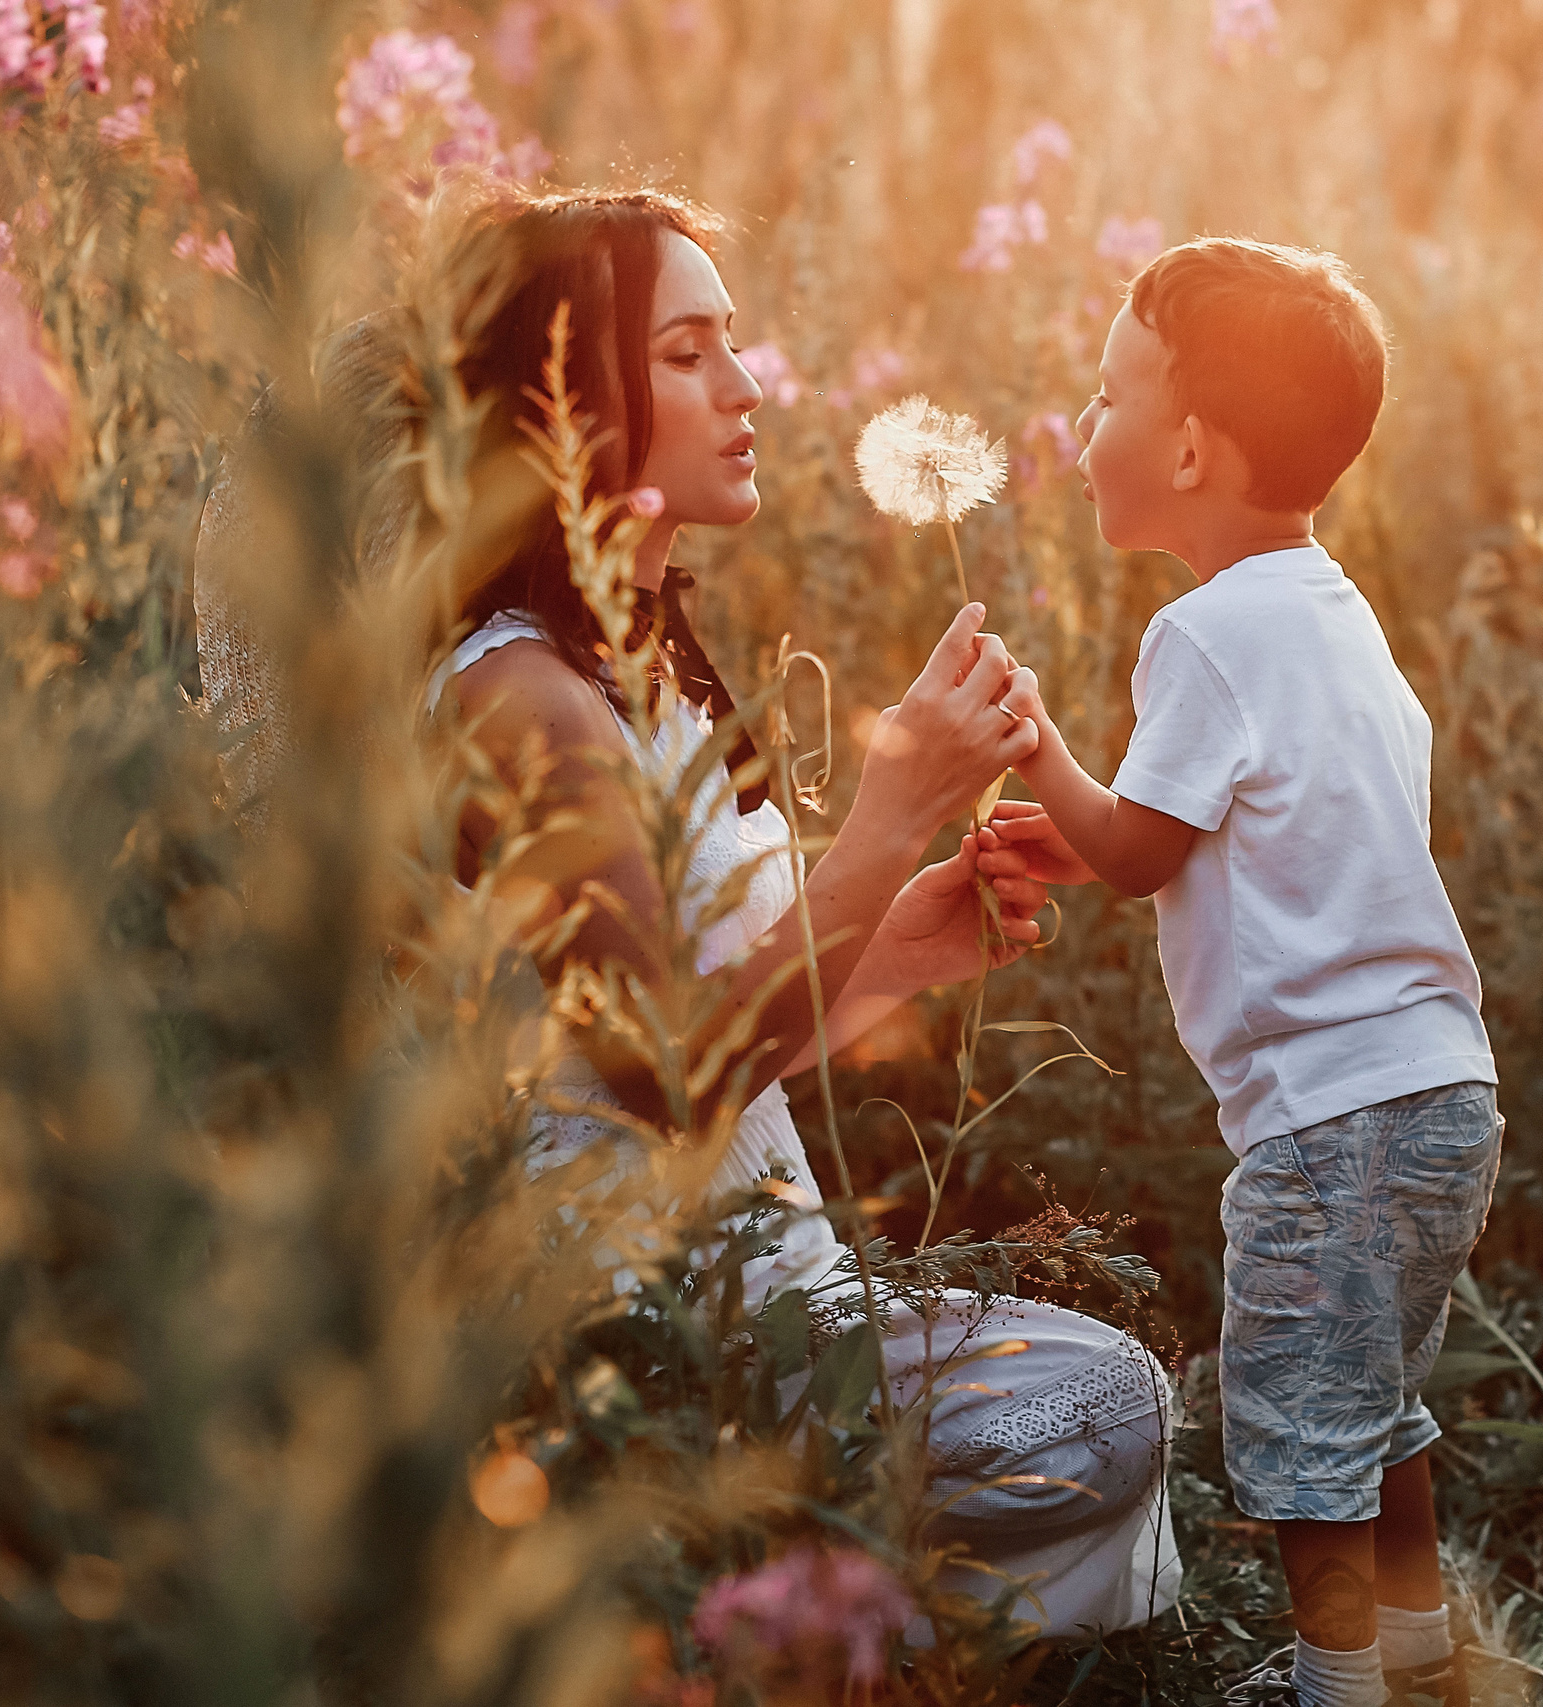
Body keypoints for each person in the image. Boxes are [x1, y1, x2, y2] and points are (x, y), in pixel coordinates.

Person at [193, 183, 1180, 1639]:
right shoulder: (514, 699)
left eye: (736, 344)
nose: (747, 386)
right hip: (637, 1325)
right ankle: (753, 1604)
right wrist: (895, 804)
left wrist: (907, 934)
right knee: (1099, 1404)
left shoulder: (628, 675)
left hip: (758, 1283)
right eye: (686, 353)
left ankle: (819, 1621)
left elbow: (724, 1036)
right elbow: (663, 1070)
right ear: (564, 402)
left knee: (1109, 1393)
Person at [990, 239, 1501, 1706]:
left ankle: (1333, 1691)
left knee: (1297, 1433)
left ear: (1192, 446)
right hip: (1435, 1095)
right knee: (1376, 1407)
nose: (1085, 432)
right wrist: (1077, 835)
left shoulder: (1203, 635)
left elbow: (1147, 850)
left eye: (1105, 399)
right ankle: (1417, 1663)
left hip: (1328, 1122)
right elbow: (1219, 836)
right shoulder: (1336, 624)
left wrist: (1038, 749)